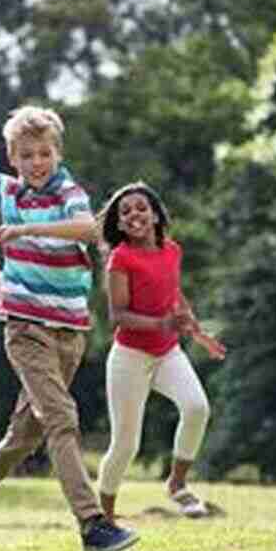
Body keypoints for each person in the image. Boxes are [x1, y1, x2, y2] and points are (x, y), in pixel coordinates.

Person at [0, 64, 138, 551]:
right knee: (62, 417)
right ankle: (93, 526)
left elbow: (88, 229)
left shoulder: (68, 193)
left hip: (70, 333)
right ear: (12, 158)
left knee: (25, 436)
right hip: (26, 329)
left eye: (44, 153)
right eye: (26, 155)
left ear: (57, 154)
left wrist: (22, 232)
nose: (36, 162)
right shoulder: (7, 192)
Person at [95, 182, 226, 522]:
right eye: (125, 212)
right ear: (120, 224)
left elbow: (174, 296)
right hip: (129, 358)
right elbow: (118, 316)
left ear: (154, 214)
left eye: (140, 208)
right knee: (125, 446)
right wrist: (163, 324)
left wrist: (198, 333)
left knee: (197, 407)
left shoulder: (172, 251)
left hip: (167, 353)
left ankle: (177, 484)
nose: (133, 214)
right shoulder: (120, 258)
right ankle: (103, 518)